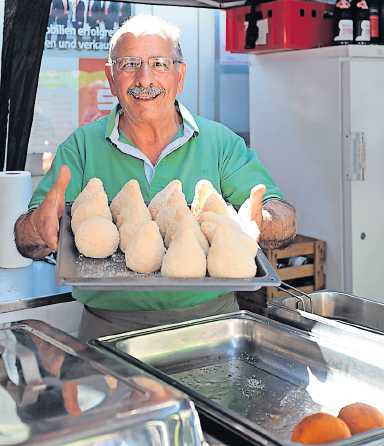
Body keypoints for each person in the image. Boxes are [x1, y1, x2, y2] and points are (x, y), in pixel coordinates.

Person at [14, 15, 297, 342]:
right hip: (107, 331)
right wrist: (36, 228)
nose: (144, 78)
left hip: (211, 326)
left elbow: (283, 217)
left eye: (159, 64)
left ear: (180, 75)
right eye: (129, 64)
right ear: (110, 76)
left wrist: (263, 221)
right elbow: (26, 239)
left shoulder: (221, 144)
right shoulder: (81, 148)